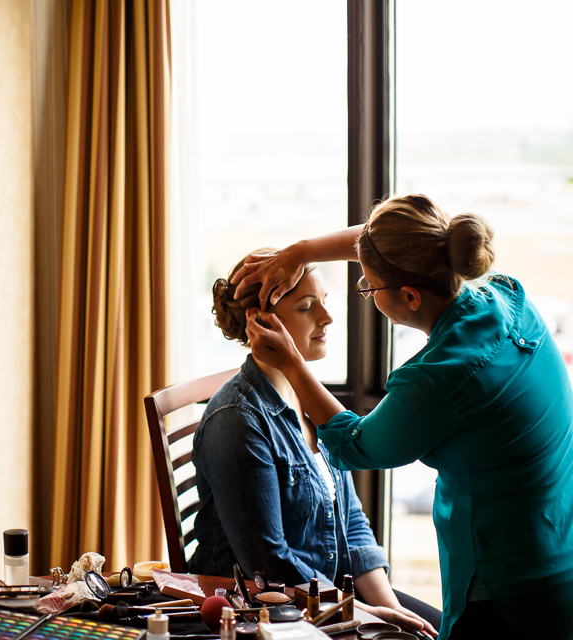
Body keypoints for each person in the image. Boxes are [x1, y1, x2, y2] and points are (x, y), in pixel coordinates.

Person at [232, 194, 573, 640]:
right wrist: (303, 251)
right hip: (560, 550)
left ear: (408, 296)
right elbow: (406, 244)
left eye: (368, 286)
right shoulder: (508, 296)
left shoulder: (441, 376)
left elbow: (354, 445)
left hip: (509, 591)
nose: (332, 315)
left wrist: (295, 366)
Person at [190, 249, 438, 636]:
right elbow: (269, 564)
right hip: (269, 612)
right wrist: (361, 611)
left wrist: (388, 609)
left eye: (325, 301)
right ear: (262, 323)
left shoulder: (308, 401)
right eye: (307, 307)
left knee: (439, 629)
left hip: (331, 596)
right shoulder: (237, 420)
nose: (328, 317)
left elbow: (352, 523)